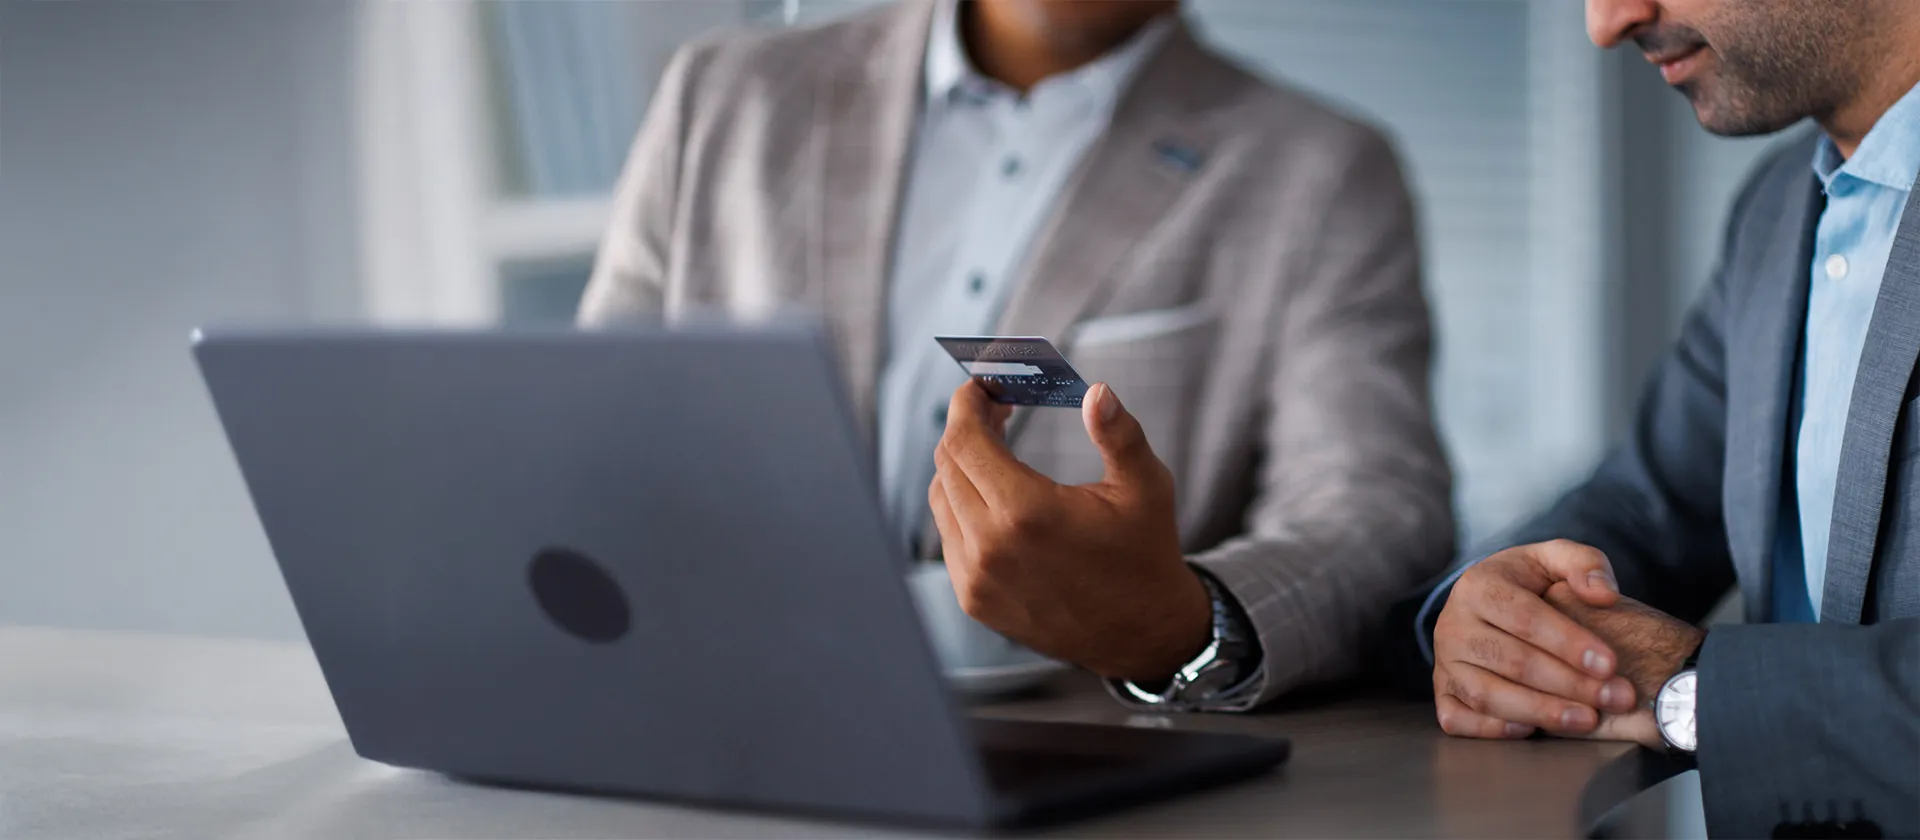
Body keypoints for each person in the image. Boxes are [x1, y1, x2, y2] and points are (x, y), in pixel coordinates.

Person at [581, 0, 1454, 711]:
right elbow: (587, 440)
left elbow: (1379, 514)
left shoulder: (1319, 172)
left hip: (1077, 749)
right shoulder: (723, 97)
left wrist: (1178, 624)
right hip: (698, 709)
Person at [1400, 0, 1920, 836]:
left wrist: (1694, 685)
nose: (1607, 22)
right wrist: (1488, 612)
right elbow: (1647, 507)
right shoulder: (1780, 207)